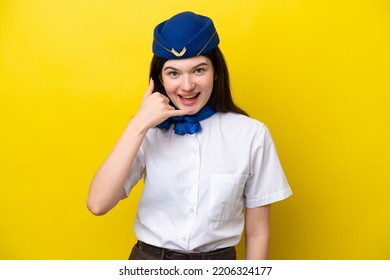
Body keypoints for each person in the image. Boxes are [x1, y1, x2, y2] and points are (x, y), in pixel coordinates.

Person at [87, 11, 292, 260]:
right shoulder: (145, 132)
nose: (186, 86)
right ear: (159, 80)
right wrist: (139, 123)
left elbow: (258, 232)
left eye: (198, 70)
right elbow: (98, 204)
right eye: (173, 73)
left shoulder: (251, 135)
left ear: (216, 72)